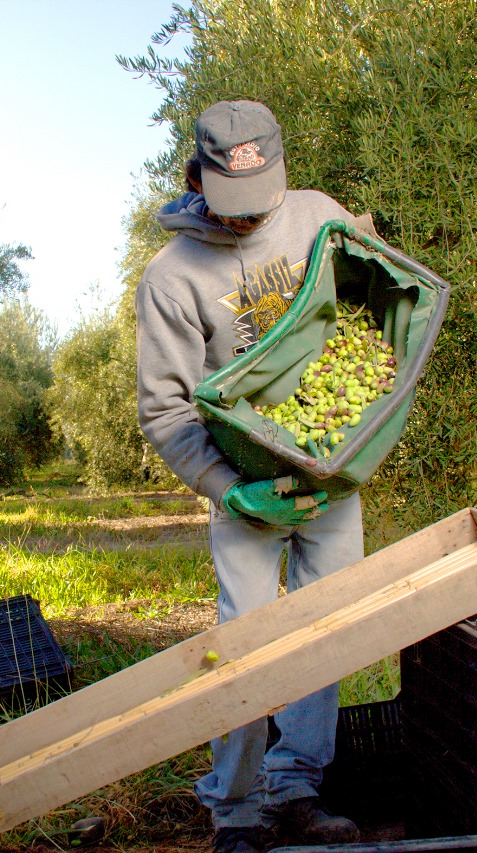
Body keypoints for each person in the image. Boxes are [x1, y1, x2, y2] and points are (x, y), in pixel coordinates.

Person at [134, 100, 368, 853]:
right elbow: (165, 410)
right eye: (229, 205)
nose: (246, 220)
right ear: (196, 175)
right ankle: (232, 810)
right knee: (245, 639)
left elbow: (374, 300)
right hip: (242, 477)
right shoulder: (171, 279)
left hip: (329, 469)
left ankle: (294, 787)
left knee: (327, 625)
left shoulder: (319, 216)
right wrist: (225, 488)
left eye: (258, 203)